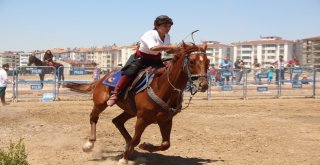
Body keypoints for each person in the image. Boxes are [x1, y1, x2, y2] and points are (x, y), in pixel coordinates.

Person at [107, 15, 180, 106]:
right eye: (165, 26)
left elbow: (168, 50)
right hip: (141, 59)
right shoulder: (149, 34)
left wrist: (179, 50)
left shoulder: (167, 36)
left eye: (169, 26)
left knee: (167, 73)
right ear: (157, 26)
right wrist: (171, 47)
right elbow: (153, 48)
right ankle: (115, 94)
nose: (168, 28)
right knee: (129, 73)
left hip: (156, 59)